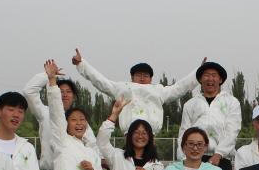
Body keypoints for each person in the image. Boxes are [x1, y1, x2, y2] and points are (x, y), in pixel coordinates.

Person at [72, 48, 200, 133]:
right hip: (129, 134)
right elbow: (100, 81)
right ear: (132, 77)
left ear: (151, 79)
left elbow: (180, 87)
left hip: (151, 136)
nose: (142, 78)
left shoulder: (158, 90)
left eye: (146, 75)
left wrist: (198, 73)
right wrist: (82, 64)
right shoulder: (123, 88)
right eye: (139, 75)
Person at [44, 59, 103, 170]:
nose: (79, 123)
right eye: (74, 120)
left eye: (82, 120)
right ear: (66, 124)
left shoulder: (91, 152)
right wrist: (52, 80)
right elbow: (56, 112)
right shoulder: (62, 140)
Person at [177, 61, 241, 170]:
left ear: (220, 79)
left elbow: (232, 131)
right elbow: (184, 132)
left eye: (214, 75)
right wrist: (184, 159)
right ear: (200, 79)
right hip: (194, 159)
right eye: (206, 75)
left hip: (221, 160)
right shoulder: (190, 104)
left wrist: (219, 154)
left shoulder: (232, 102)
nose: (210, 79)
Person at [97, 98, 165, 170]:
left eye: (144, 133)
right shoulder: (117, 156)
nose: (140, 136)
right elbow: (102, 142)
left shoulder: (157, 166)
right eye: (136, 132)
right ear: (129, 136)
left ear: (150, 138)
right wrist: (114, 114)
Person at [158, 127, 226, 170]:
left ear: (205, 147)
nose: (195, 148)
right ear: (183, 146)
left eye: (199, 144)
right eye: (191, 143)